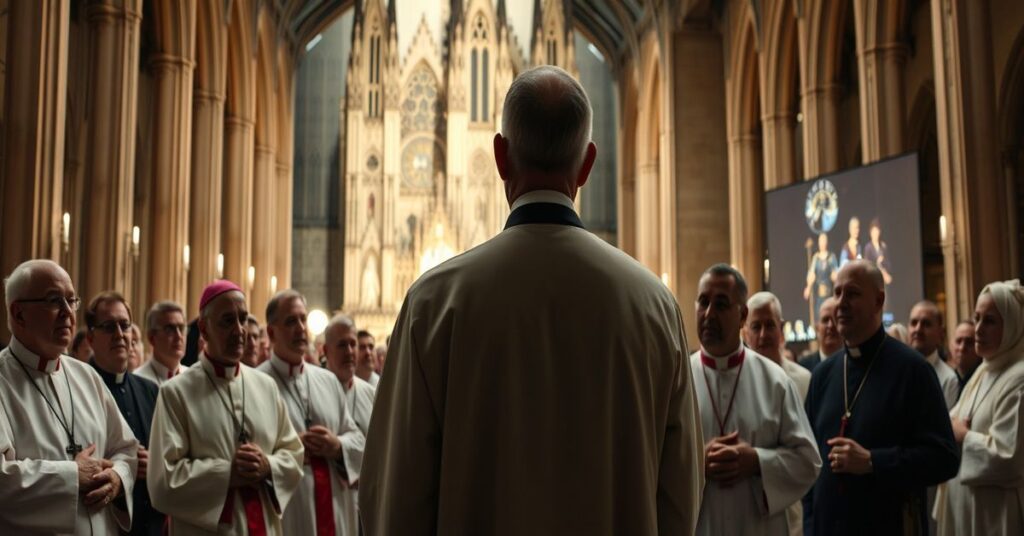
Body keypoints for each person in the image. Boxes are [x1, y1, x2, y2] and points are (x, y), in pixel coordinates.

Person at [360, 65, 705, 535]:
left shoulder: (434, 303)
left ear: (500, 156)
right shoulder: (655, 307)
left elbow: (394, 496)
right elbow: (681, 496)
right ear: (587, 163)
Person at [803, 261, 959, 535]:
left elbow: (944, 459)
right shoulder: (823, 375)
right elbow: (808, 462)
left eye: (851, 293)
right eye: (837, 293)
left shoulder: (913, 370)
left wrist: (873, 461)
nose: (840, 303)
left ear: (879, 301)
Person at [147, 280, 304, 534]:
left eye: (243, 319)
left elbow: (293, 453)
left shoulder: (266, 386)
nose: (239, 330)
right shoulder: (176, 393)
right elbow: (163, 483)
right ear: (204, 329)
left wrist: (267, 466)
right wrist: (227, 473)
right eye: (227, 321)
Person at [0, 259, 139, 534]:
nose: (67, 312)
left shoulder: (87, 376)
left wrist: (117, 478)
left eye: (71, 300)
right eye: (54, 300)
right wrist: (72, 475)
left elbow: (125, 449)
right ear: (19, 314)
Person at [697, 267, 820, 536]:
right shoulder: (678, 380)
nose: (708, 314)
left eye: (720, 304)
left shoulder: (776, 381)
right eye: (703, 302)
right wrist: (697, 462)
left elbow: (809, 462)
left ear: (742, 316)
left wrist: (756, 462)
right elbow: (653, 460)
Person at [258, 290, 365, 536]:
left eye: (303, 320)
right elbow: (252, 452)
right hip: (291, 511)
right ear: (272, 332)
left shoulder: (328, 381)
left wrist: (337, 446)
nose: (300, 328)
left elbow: (358, 439)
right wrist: (291, 450)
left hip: (335, 510)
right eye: (290, 321)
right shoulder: (258, 383)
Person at [934, 279, 1024, 535]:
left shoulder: (1019, 377)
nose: (979, 329)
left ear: (1013, 325)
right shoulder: (985, 369)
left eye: (990, 321)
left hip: (994, 515)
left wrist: (964, 436)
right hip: (965, 509)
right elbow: (949, 420)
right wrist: (954, 429)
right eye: (977, 318)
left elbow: (1008, 457)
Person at [86, 292, 164, 535]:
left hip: (152, 522)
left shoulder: (150, 390)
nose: (119, 334)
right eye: (109, 327)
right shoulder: (82, 389)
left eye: (125, 325)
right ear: (90, 337)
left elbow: (170, 452)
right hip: (104, 520)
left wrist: (155, 463)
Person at [746, 291, 813, 399]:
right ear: (746, 334)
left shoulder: (805, 380)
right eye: (756, 327)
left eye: (769, 325)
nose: (763, 335)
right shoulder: (738, 381)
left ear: (781, 328)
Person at [324, 315, 375, 438]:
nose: (349, 352)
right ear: (326, 351)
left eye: (353, 344)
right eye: (342, 345)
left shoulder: (371, 394)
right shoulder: (315, 389)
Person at [909, 301, 960, 408]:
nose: (918, 329)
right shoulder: (897, 371)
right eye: (914, 323)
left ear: (940, 333)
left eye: (926, 324)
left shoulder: (949, 380)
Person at [134, 301, 188, 386]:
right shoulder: (137, 381)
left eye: (181, 328)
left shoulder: (194, 378)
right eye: (169, 329)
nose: (179, 336)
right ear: (152, 338)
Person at [799, 297, 841, 374]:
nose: (830, 325)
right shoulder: (803, 368)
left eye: (835, 319)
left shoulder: (854, 365)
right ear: (817, 328)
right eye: (825, 320)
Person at [804, 233, 838, 325]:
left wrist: (835, 277)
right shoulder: (816, 258)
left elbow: (836, 274)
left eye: (824, 241)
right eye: (821, 241)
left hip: (829, 293)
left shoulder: (831, 257)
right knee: (819, 318)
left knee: (831, 316)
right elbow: (811, 275)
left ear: (826, 242)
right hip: (819, 295)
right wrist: (808, 288)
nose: (822, 243)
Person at [951, 320, 982, 389]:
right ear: (951, 345)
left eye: (969, 342)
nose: (962, 348)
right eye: (958, 341)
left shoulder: (984, 379)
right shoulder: (946, 378)